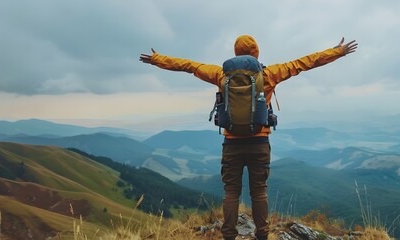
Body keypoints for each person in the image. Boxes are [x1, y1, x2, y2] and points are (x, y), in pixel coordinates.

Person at [140, 35, 357, 240]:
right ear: (256, 53)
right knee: (259, 192)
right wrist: (337, 52)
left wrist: (158, 60)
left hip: (232, 144)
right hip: (259, 143)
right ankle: (262, 235)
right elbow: (305, 62)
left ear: (235, 53)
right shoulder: (270, 74)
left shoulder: (221, 75)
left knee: (231, 192)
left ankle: (228, 235)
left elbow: (189, 66)